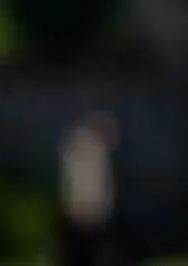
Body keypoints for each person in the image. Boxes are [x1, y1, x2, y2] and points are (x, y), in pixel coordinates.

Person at [56, 113, 124, 266]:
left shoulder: (85, 150)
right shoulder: (88, 150)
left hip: (83, 212)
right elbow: (89, 185)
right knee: (86, 251)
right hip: (87, 213)